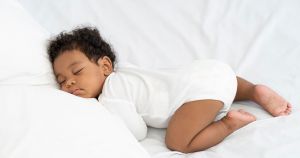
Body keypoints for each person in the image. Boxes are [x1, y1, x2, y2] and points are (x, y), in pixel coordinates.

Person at [47, 26, 292, 153]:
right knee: (224, 82)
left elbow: (138, 132)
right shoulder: (128, 72)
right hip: (211, 71)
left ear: (105, 66)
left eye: (77, 72)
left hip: (196, 96)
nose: (68, 82)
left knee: (178, 142)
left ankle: (229, 123)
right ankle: (253, 91)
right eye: (61, 80)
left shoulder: (112, 93)